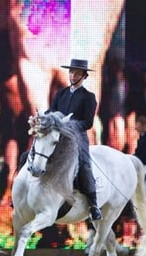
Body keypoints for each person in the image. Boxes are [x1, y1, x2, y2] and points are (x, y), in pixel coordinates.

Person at [47, 58, 102, 221]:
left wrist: (69, 126)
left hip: (77, 138)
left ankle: (93, 204)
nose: (72, 75)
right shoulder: (61, 93)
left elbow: (88, 122)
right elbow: (52, 111)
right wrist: (43, 118)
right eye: (71, 72)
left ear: (84, 76)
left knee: (84, 165)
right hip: (57, 136)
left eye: (77, 73)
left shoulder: (89, 97)